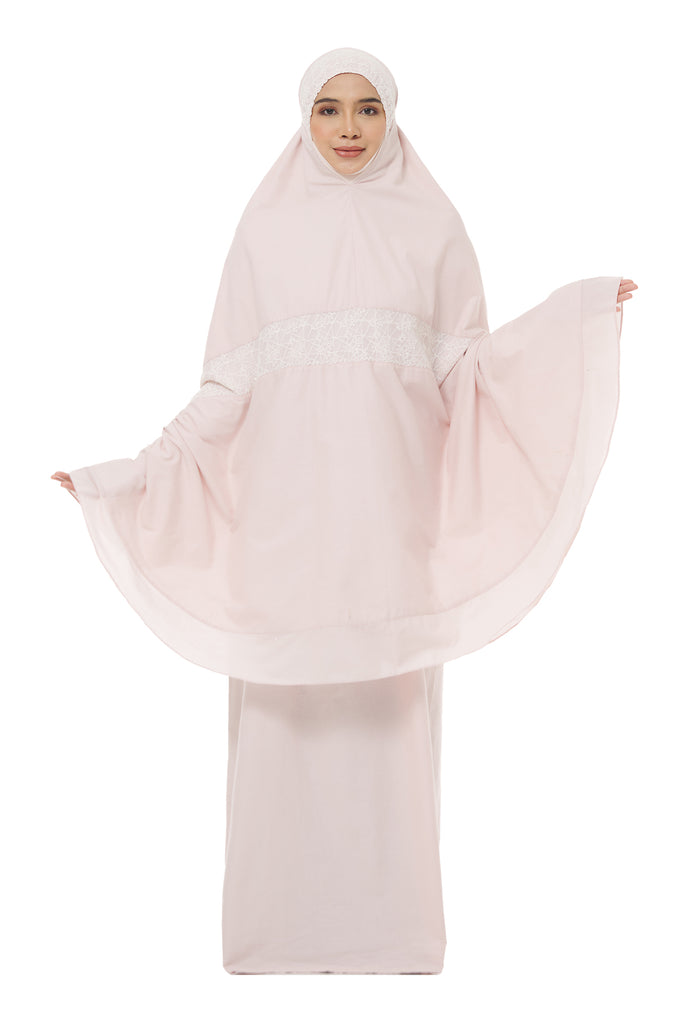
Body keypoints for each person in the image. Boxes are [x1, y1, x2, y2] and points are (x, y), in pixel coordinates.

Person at [51, 47, 637, 974]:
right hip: (284, 532)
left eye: (368, 108)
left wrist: (576, 316)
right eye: (329, 108)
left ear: (392, 115)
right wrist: (131, 474)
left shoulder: (432, 226)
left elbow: (468, 370)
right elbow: (227, 388)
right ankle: (274, 937)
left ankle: (390, 937)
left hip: (388, 530)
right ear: (304, 118)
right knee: (281, 720)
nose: (350, 127)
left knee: (388, 725)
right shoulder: (264, 231)